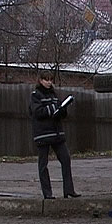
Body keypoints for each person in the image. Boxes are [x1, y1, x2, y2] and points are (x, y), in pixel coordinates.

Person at [29, 70, 81, 199]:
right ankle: (47, 193)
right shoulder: (36, 95)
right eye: (46, 79)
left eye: (51, 80)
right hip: (43, 134)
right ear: (40, 80)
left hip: (57, 133)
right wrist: (53, 108)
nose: (49, 82)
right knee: (43, 164)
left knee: (66, 159)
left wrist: (62, 109)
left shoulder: (54, 94)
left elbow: (60, 113)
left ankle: (69, 190)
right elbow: (38, 112)